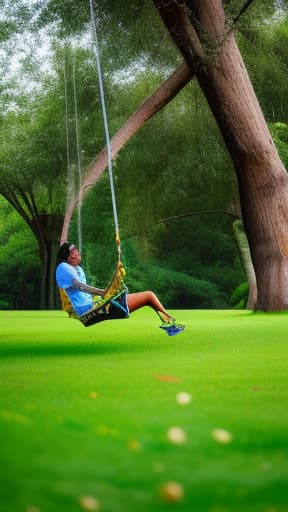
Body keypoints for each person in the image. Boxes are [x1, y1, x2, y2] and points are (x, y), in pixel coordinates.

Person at [55, 242, 185, 335]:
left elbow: (85, 289)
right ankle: (169, 323)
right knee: (149, 296)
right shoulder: (63, 267)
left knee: (147, 296)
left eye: (77, 250)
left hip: (93, 306)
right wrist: (103, 292)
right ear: (67, 256)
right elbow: (78, 286)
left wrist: (111, 284)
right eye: (73, 251)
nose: (77, 252)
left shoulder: (78, 269)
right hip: (88, 311)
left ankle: (169, 323)